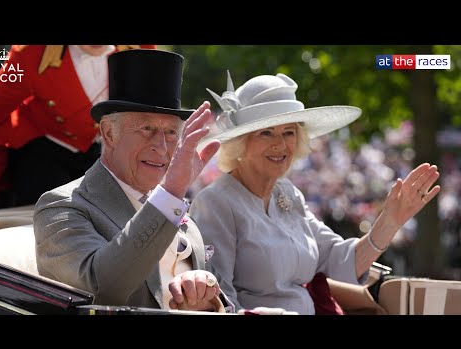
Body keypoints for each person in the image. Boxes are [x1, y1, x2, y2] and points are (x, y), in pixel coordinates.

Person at [189, 71, 441, 315]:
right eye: (266, 132)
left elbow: (338, 260)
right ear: (240, 142)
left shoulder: (287, 194)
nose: (280, 144)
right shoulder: (216, 203)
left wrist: (390, 221)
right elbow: (218, 300)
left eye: (289, 132)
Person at [33, 49, 232, 312]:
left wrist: (209, 300)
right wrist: (171, 191)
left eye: (171, 132)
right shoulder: (63, 207)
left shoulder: (177, 208)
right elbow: (103, 289)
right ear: (109, 133)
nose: (161, 147)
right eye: (147, 129)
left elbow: (225, 300)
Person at [0, 44, 156, 210]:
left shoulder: (141, 49)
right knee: (50, 212)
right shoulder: (30, 53)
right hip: (43, 150)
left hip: (99, 151)